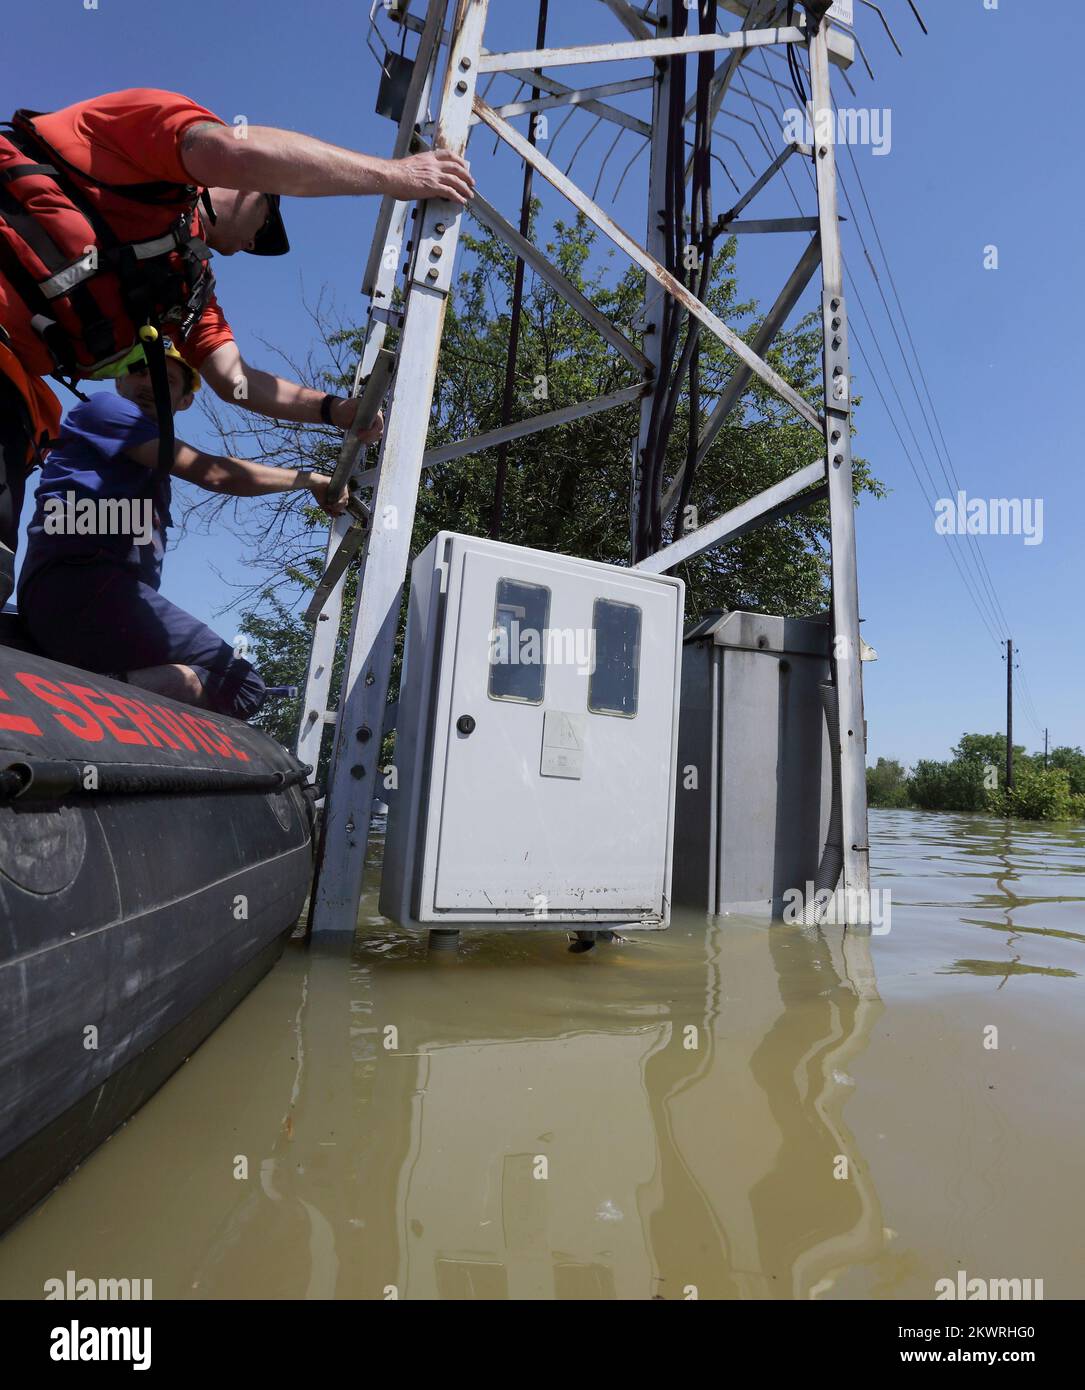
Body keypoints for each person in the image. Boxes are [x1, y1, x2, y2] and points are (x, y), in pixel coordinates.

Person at [0, 87, 476, 599]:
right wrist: (396, 177)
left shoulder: (185, 286)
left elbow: (237, 382)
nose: (252, 245)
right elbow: (234, 152)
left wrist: (335, 409)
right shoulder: (151, 130)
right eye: (264, 226)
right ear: (250, 189)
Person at [17, 338, 348, 721]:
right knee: (241, 684)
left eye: (166, 379)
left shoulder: (148, 470)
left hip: (95, 601)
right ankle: (73, 706)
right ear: (118, 382)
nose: (147, 381)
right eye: (137, 369)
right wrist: (309, 480)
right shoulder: (102, 410)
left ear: (184, 400)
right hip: (78, 587)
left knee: (235, 688)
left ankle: (98, 699)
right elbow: (218, 475)